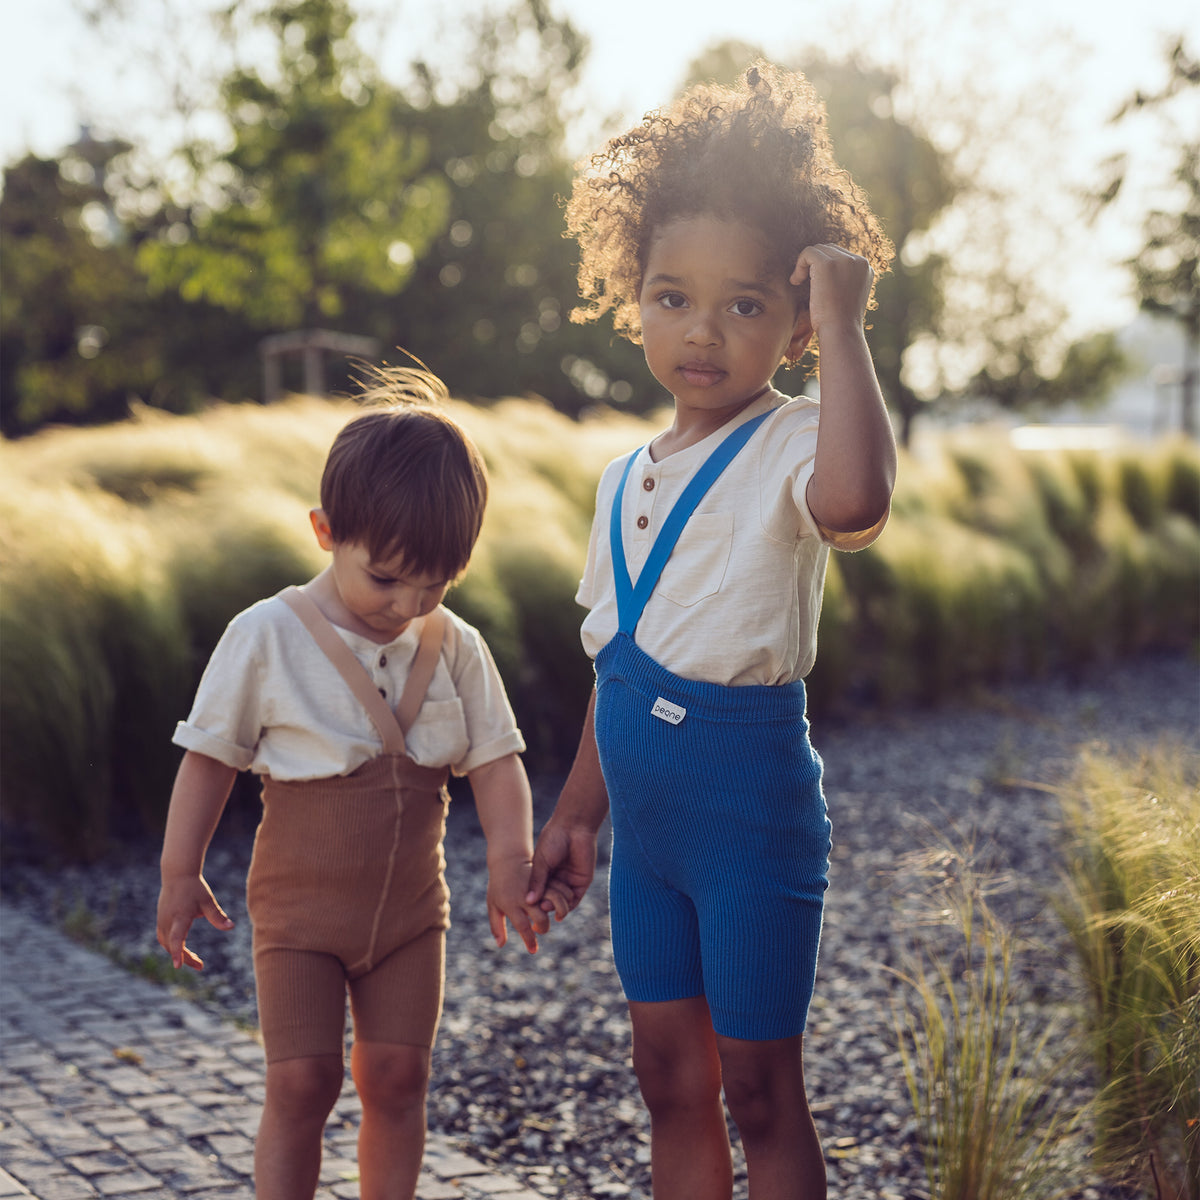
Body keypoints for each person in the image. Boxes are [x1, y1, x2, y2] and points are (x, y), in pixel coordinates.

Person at [526, 63, 897, 1200]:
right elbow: (616, 662)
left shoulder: (792, 443)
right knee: (668, 1083)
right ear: (630, 299)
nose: (702, 330)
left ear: (790, 328)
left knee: (758, 1088)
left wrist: (843, 318)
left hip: (749, 825)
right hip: (647, 837)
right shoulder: (618, 479)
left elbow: (856, 504)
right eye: (671, 295)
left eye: (745, 303)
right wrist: (578, 814)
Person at [156, 367, 548, 1200]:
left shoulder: (457, 648)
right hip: (299, 917)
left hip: (411, 916)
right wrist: (177, 872)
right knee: (304, 1084)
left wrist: (512, 859)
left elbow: (497, 759)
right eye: (386, 578)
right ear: (325, 530)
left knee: (400, 1077)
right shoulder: (266, 635)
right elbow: (209, 756)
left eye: (436, 584)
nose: (407, 604)